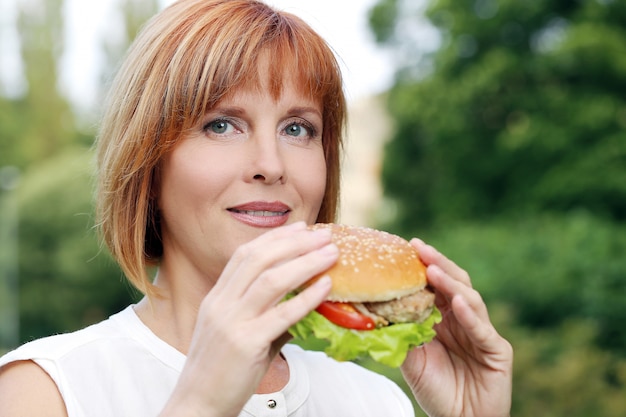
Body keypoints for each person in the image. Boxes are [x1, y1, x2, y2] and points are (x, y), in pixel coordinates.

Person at [0, 0, 513, 416]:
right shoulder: (46, 390)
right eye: (221, 124)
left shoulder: (377, 401)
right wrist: (199, 406)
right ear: (148, 162)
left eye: (298, 128)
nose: (271, 164)